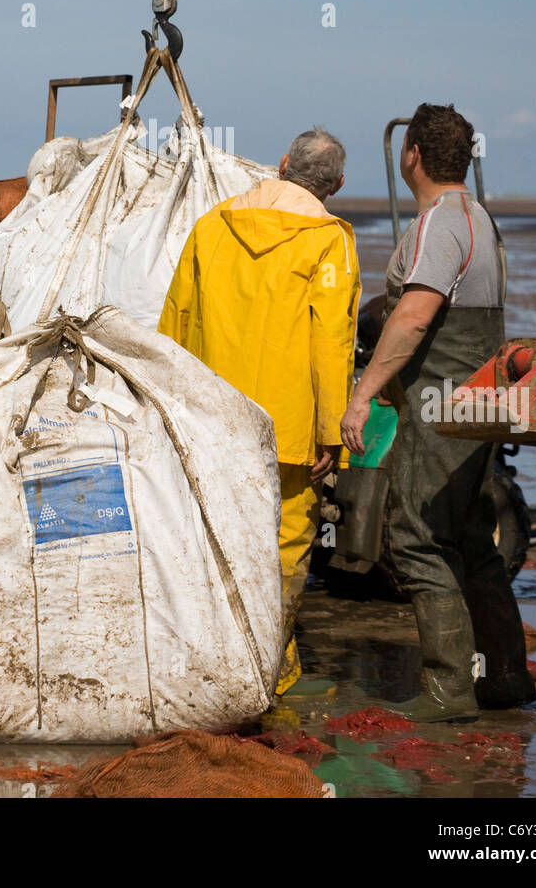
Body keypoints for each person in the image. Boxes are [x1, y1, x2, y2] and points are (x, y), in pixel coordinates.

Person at [340, 103, 535, 721]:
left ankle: (448, 692)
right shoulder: (481, 219)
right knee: (472, 539)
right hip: (478, 400)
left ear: (412, 155)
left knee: (419, 539)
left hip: (439, 404)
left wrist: (363, 392)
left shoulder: (440, 224)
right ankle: (505, 677)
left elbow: (416, 314)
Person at [159, 128, 361, 696]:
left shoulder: (211, 226)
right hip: (288, 430)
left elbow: (174, 325)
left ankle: (205, 659)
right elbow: (332, 341)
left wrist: (168, 414)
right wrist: (331, 434)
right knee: (284, 545)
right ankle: (267, 667)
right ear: (336, 186)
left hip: (210, 421)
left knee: (208, 534)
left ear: (280, 166)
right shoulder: (329, 241)